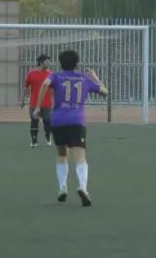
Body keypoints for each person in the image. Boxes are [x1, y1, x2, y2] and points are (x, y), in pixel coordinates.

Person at [34, 50, 108, 207]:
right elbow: (105, 92)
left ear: (60, 63)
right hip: (76, 121)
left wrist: (38, 107)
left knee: (62, 155)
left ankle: (62, 188)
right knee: (80, 157)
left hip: (58, 121)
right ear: (77, 63)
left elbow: (45, 84)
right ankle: (82, 187)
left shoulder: (55, 76)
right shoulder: (84, 78)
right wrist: (95, 77)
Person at [21, 54, 54, 147]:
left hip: (47, 103)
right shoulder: (31, 73)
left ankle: (48, 136)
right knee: (34, 121)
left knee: (47, 121)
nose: (49, 63)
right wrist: (22, 100)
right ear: (41, 62)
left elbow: (54, 88)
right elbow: (26, 86)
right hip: (34, 103)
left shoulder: (50, 74)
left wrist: (55, 101)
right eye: (47, 61)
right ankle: (34, 141)